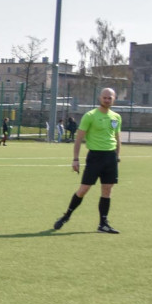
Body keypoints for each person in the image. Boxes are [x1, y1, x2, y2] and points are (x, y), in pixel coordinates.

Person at [53, 88, 122, 234]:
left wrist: (117, 155)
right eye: (105, 97)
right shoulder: (90, 116)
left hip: (110, 158)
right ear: (100, 98)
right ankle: (66, 216)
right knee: (84, 189)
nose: (107, 100)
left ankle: (103, 224)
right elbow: (78, 139)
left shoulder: (116, 117)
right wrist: (76, 159)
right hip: (95, 157)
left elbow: (117, 137)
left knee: (107, 190)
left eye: (110, 98)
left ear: (114, 99)